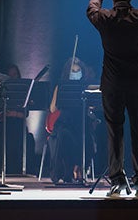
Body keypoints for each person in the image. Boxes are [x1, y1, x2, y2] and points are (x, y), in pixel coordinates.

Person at [87, 0, 138, 198]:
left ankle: (117, 182)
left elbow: (91, 9)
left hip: (113, 84)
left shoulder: (105, 18)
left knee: (114, 131)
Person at [47, 56, 96, 184]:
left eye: (78, 71)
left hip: (81, 122)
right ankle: (65, 172)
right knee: (64, 136)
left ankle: (79, 168)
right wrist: (59, 95)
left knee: (86, 139)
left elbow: (93, 105)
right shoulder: (61, 86)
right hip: (65, 122)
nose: (76, 74)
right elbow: (52, 109)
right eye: (73, 72)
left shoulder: (85, 86)